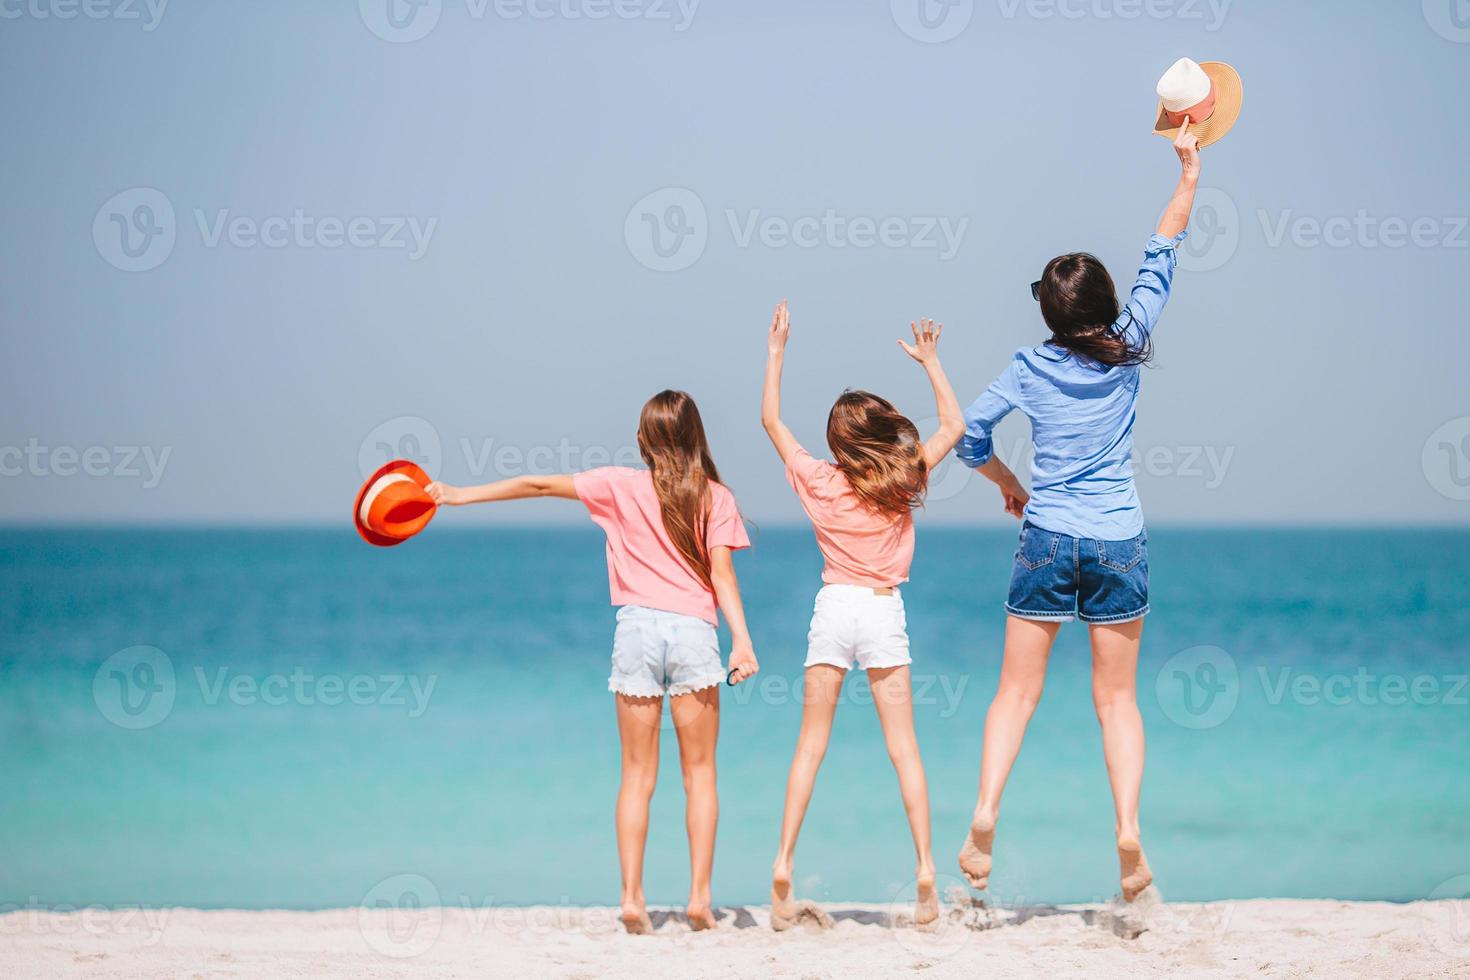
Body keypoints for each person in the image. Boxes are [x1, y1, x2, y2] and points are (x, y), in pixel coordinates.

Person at [953, 121, 1203, 902]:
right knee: (1118, 700)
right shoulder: (1129, 344)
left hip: (1048, 534)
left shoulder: (1030, 366)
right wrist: (1189, 172)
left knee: (1015, 694)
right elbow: (1163, 245)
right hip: (1118, 537)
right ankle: (1127, 830)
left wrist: (1004, 483)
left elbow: (967, 436)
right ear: (1104, 305)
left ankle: (986, 813)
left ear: (1049, 315)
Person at [425, 389, 759, 933]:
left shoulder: (616, 485)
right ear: (696, 436)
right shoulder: (714, 497)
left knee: (635, 775)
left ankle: (631, 897)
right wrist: (742, 643)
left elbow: (535, 484)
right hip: (694, 634)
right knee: (700, 775)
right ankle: (700, 898)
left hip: (636, 633)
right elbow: (723, 577)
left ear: (642, 440)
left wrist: (457, 495)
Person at [760, 301, 964, 929]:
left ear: (837, 444)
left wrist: (777, 351)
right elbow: (955, 422)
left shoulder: (819, 481)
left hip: (832, 609)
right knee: (904, 750)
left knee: (809, 747)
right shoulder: (905, 478)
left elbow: (770, 420)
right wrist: (932, 363)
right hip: (881, 612)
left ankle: (784, 859)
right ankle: (926, 867)